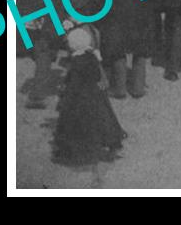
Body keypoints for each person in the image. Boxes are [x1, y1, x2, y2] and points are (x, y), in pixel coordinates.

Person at [52, 26, 126, 166]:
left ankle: (69, 150)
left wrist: (64, 93)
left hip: (78, 98)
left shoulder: (75, 63)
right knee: (103, 118)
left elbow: (72, 82)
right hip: (95, 96)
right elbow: (97, 75)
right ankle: (111, 143)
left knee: (71, 123)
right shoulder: (92, 57)